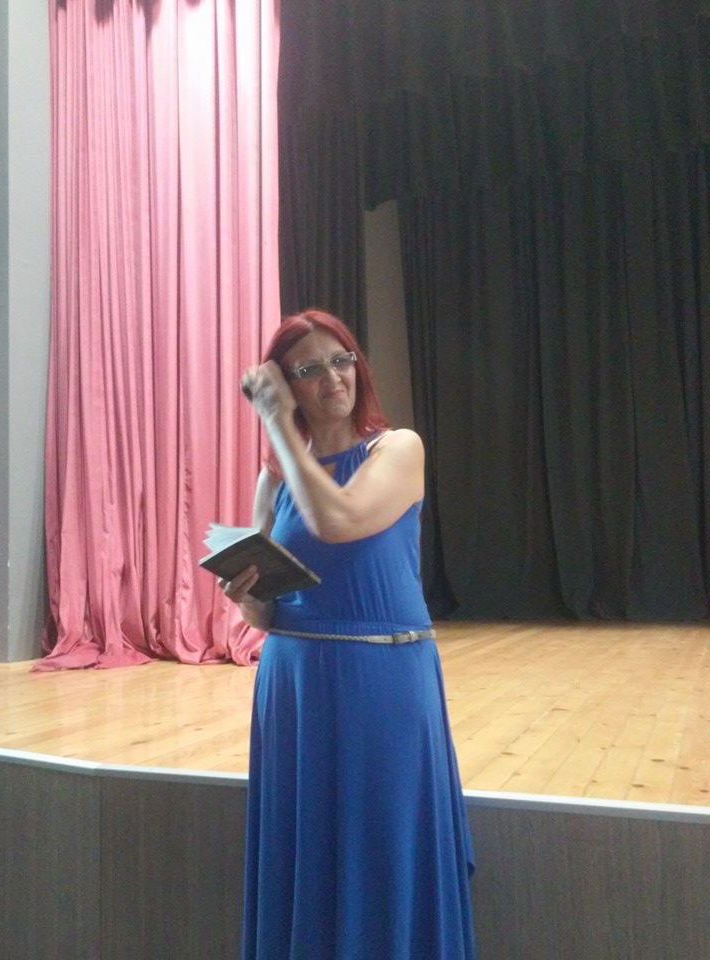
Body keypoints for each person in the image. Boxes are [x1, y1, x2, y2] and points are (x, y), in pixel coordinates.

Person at [221, 309, 476, 960]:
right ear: (287, 384)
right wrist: (247, 594)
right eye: (309, 369)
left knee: (382, 847)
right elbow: (267, 615)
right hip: (294, 687)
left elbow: (339, 520)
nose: (333, 378)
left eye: (341, 360)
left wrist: (278, 426)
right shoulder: (274, 477)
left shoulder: (398, 448)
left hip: (380, 679)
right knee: (307, 848)